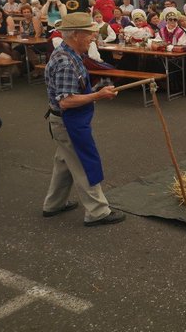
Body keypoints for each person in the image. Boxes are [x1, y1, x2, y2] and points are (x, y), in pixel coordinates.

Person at [42, 12, 126, 226]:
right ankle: (97, 212)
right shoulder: (65, 62)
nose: (93, 37)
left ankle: (53, 204)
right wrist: (98, 95)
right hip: (67, 121)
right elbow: (66, 101)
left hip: (66, 120)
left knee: (64, 162)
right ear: (76, 35)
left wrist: (97, 90)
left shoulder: (71, 54)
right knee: (83, 163)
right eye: (89, 33)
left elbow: (71, 92)